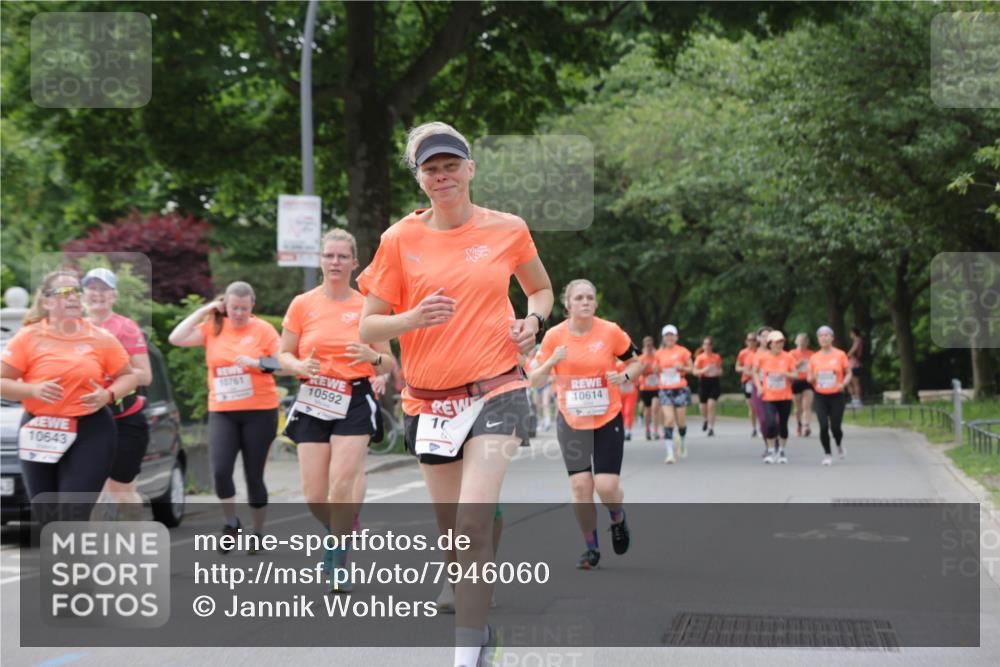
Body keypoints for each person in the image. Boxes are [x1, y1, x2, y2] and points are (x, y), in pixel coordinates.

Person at [357, 121, 553, 667]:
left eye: (450, 165)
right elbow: (367, 329)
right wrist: (412, 318)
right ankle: (474, 554)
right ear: (419, 179)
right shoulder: (399, 240)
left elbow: (539, 289)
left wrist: (533, 321)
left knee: (468, 522)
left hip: (498, 388)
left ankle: (468, 651)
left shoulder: (508, 229)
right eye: (430, 168)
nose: (442, 176)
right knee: (456, 530)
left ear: (470, 168)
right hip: (429, 402)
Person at [278, 229, 395, 592]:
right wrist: (297, 367)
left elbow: (389, 362)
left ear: (354, 263)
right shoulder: (302, 304)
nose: (335, 262)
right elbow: (284, 354)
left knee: (342, 482)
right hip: (314, 397)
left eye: (343, 257)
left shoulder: (367, 307)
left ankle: (339, 554)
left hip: (354, 398)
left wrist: (371, 357)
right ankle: (337, 529)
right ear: (320, 259)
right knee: (314, 493)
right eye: (329, 256)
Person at [1, 270, 137, 523]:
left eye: (76, 290)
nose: (73, 296)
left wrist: (107, 395)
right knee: (47, 516)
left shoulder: (100, 337)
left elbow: (129, 377)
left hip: (90, 429)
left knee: (73, 513)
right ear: (47, 301)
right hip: (39, 427)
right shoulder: (28, 337)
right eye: (65, 291)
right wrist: (32, 390)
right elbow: (2, 382)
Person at [530, 279, 642, 570]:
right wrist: (551, 360)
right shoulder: (555, 336)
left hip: (607, 416)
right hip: (572, 420)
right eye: (579, 297)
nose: (585, 302)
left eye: (590, 297)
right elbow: (535, 380)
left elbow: (636, 362)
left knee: (606, 486)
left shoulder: (610, 331)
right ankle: (591, 548)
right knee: (581, 487)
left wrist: (625, 377)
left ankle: (617, 517)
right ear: (568, 305)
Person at [168, 281, 281, 549]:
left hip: (259, 411)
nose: (239, 313)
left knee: (254, 475)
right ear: (225, 305)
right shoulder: (213, 327)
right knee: (220, 471)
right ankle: (231, 522)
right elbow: (176, 338)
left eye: (243, 308)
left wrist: (258, 363)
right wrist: (206, 310)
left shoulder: (263, 330)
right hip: (223, 411)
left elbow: (283, 364)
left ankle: (258, 531)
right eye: (233, 308)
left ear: (252, 306)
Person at [81, 268, 152, 520]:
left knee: (121, 491)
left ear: (114, 295)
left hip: (124, 419)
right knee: (91, 494)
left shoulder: (126, 328)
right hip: (87, 419)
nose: (97, 294)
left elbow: (145, 375)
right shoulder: (72, 328)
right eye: (92, 288)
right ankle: (92, 555)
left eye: (104, 289)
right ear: (83, 293)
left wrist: (114, 376)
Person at [808, 326, 853, 466]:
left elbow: (849, 372)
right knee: (823, 426)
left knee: (835, 427)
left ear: (832, 338)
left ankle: (838, 444)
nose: (824, 338)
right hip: (820, 395)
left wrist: (843, 384)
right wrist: (813, 377)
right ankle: (827, 454)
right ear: (818, 339)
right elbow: (809, 378)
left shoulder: (840, 355)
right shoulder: (814, 357)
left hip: (837, 395)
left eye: (827, 335)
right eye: (821, 336)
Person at [756, 330, 796, 464]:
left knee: (783, 425)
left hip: (785, 396)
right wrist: (760, 387)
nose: (780, 344)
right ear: (770, 344)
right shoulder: (762, 357)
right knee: (771, 423)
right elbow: (755, 373)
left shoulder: (788, 357)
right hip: (769, 396)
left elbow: (795, 374)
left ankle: (782, 451)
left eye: (782, 342)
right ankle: (771, 450)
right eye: (777, 342)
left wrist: (786, 374)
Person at [655, 325, 693, 463]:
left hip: (680, 388)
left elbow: (691, 368)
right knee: (669, 419)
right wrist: (655, 368)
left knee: (681, 422)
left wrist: (682, 367)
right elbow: (655, 370)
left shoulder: (683, 351)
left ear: (676, 337)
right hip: (665, 389)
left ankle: (682, 441)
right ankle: (670, 453)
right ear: (663, 337)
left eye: (672, 335)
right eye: (666, 335)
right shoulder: (658, 353)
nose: (669, 338)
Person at [749, 326, 773, 456]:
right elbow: (749, 370)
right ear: (758, 338)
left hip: (775, 389)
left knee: (776, 420)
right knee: (764, 420)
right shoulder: (752, 354)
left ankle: (775, 443)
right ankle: (768, 446)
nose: (766, 338)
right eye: (763, 336)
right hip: (758, 389)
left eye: (769, 336)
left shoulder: (778, 353)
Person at [693, 336, 722, 437]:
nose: (707, 346)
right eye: (705, 344)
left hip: (714, 382)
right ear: (702, 345)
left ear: (712, 346)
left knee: (711, 405)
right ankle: (705, 419)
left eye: (709, 344)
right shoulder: (699, 357)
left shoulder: (716, 357)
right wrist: (704, 370)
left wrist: (717, 372)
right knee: (703, 406)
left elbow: (720, 370)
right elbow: (694, 372)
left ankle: (711, 428)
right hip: (703, 382)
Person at [789, 332, 815, 437]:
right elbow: (788, 367)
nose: (802, 343)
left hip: (808, 381)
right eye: (800, 340)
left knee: (807, 406)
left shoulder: (812, 354)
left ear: (807, 343)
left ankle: (806, 426)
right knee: (798, 408)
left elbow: (816, 367)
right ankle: (799, 424)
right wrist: (798, 364)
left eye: (804, 341)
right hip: (796, 381)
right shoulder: (791, 353)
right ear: (796, 342)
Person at [735, 332, 759, 438]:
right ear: (746, 341)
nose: (751, 342)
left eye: (753, 340)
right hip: (747, 381)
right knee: (752, 406)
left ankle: (761, 426)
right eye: (749, 340)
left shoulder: (760, 352)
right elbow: (737, 367)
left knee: (760, 406)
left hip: (759, 382)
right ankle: (754, 428)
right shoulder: (743, 353)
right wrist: (744, 369)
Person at [637, 336, 662, 441]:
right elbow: (638, 372)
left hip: (656, 386)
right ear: (644, 346)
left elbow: (661, 369)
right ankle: (647, 429)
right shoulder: (641, 358)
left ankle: (655, 431)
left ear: (653, 346)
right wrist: (644, 368)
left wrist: (656, 370)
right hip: (645, 387)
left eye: (650, 345)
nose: (649, 347)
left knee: (655, 408)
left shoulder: (657, 357)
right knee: (647, 411)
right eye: (647, 346)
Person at [617, 359, 638, 441]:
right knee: (621, 413)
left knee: (628, 411)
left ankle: (628, 431)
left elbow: (637, 378)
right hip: (620, 392)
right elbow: (614, 378)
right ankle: (622, 430)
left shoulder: (634, 365)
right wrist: (622, 380)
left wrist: (630, 380)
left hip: (631, 392)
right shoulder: (618, 365)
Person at [847, 327, 864, 407]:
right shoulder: (856, 341)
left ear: (854, 333)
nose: (850, 335)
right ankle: (854, 399)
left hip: (855, 364)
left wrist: (847, 355)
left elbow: (853, 351)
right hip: (851, 364)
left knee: (855, 383)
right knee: (849, 382)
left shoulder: (858, 340)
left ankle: (857, 400)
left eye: (851, 333)